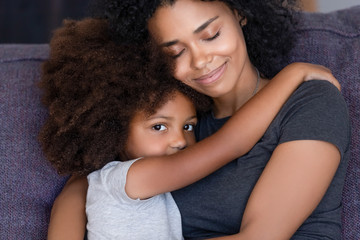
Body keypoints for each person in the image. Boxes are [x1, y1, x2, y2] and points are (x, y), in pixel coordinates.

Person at [40, 16, 343, 239]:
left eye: (210, 34)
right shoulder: (174, 120)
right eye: (174, 52)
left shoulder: (310, 100)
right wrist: (293, 73)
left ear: (240, 13)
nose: (201, 60)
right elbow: (229, 144)